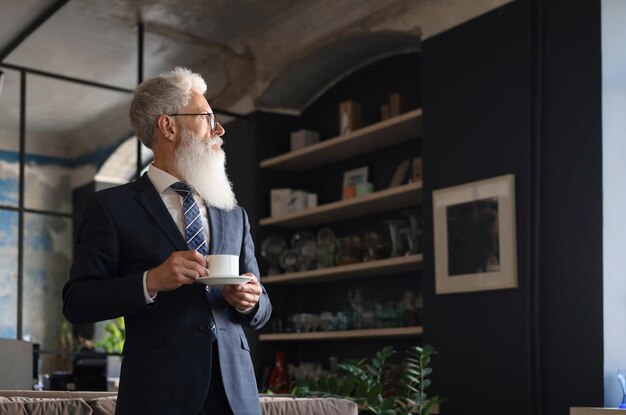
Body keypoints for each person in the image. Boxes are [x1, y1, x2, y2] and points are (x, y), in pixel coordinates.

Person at [62, 67, 272, 415]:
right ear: (169, 126)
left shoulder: (234, 212)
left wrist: (251, 300)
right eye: (207, 117)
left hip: (236, 396)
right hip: (157, 395)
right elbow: (77, 302)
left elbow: (262, 307)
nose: (219, 129)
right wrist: (151, 281)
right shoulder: (111, 208)